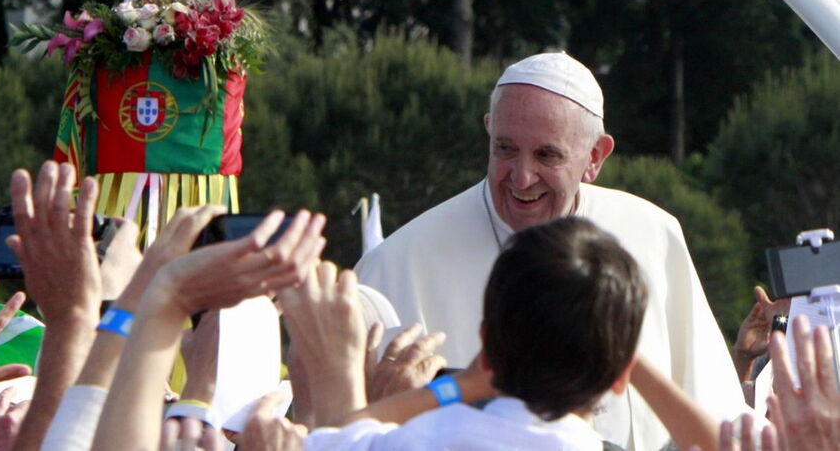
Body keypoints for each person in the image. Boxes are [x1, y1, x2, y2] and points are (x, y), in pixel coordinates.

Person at [354, 51, 746, 450]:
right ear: (489, 131)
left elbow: (717, 413)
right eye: (505, 149)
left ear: (595, 156)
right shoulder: (401, 261)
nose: (522, 177)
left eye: (547, 155)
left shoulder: (654, 235)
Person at [244, 217, 653, 450]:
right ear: (622, 375)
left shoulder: (422, 441)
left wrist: (457, 387)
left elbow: (347, 432)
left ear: (487, 344)